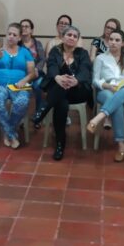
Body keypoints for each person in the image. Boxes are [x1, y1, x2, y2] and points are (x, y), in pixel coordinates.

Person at [32, 25, 92, 161]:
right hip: (59, 90)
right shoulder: (55, 51)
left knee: (60, 91)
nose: (71, 38)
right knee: (61, 104)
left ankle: (42, 110)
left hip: (78, 91)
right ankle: (60, 143)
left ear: (77, 39)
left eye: (75, 36)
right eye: (69, 35)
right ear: (63, 37)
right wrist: (57, 77)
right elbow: (51, 66)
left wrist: (76, 81)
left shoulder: (82, 53)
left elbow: (85, 70)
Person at [87, 29, 124, 162]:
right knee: (116, 103)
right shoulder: (100, 58)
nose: (113, 42)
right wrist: (107, 86)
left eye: (117, 40)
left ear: (123, 43)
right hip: (106, 91)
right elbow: (95, 80)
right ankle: (121, 144)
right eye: (111, 39)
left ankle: (98, 118)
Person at [0, 23, 35, 149]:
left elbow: (32, 72)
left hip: (18, 85)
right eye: (9, 34)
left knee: (22, 102)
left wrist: (24, 80)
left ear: (19, 38)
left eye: (14, 35)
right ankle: (11, 134)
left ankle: (7, 131)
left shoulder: (25, 52)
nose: (11, 37)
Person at [20, 18, 47, 112]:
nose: (24, 28)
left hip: (36, 73)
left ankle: (38, 115)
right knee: (21, 90)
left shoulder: (37, 43)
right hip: (22, 75)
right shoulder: (17, 45)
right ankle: (22, 118)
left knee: (38, 86)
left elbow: (42, 59)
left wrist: (36, 69)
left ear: (31, 30)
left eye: (26, 26)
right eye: (22, 26)